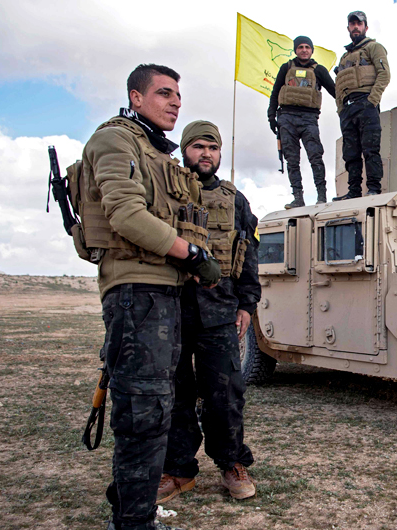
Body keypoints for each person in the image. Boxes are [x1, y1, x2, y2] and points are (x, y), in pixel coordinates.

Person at [81, 64, 221, 530]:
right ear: (135, 98)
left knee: (155, 407)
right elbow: (125, 214)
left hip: (163, 291)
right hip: (136, 291)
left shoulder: (155, 150)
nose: (175, 102)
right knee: (144, 411)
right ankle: (134, 522)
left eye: (178, 95)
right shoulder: (115, 141)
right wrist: (192, 252)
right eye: (164, 93)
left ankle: (130, 508)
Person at [158, 120, 261, 503]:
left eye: (212, 148)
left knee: (226, 393)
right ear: (185, 150)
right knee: (176, 392)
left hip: (220, 311)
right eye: (198, 147)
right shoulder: (166, 192)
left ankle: (231, 463)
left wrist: (248, 304)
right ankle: (179, 470)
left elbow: (248, 252)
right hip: (171, 310)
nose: (206, 154)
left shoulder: (235, 200)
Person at [267, 36, 336, 208]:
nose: (304, 50)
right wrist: (271, 116)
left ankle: (321, 196)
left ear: (311, 50)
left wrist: (347, 105)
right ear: (295, 50)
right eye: (300, 47)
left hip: (309, 119)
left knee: (315, 156)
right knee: (292, 160)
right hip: (286, 117)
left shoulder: (319, 70)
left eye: (307, 47)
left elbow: (334, 91)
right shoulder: (286, 68)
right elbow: (275, 92)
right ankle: (298, 197)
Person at [333, 10, 390, 200]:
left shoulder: (374, 47)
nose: (355, 27)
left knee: (370, 149)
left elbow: (384, 75)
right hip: (348, 109)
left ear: (365, 27)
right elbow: (339, 85)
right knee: (350, 154)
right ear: (348, 28)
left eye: (359, 24)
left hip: (366, 104)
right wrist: (341, 109)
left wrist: (372, 101)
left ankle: (374, 188)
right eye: (352, 24)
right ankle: (354, 191)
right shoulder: (344, 57)